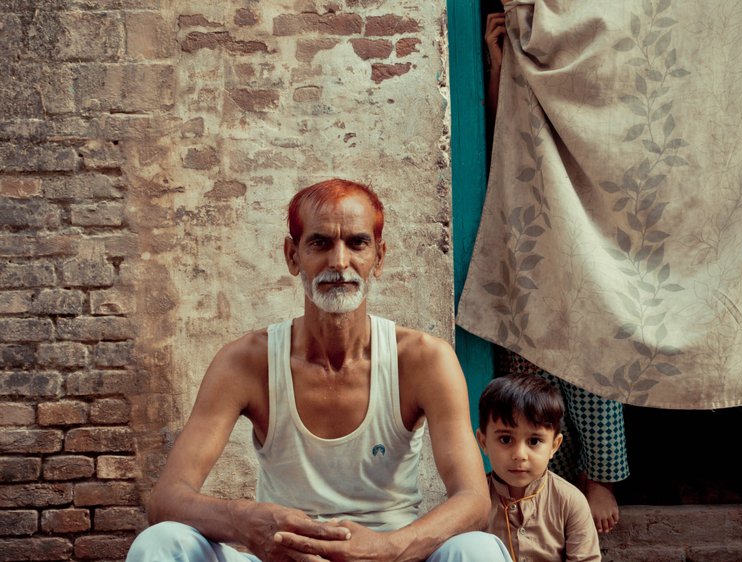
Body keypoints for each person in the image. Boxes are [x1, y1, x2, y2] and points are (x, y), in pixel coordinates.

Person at [127, 179, 511, 562]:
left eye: (357, 243)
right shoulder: (245, 362)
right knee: (160, 543)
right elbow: (167, 499)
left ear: (379, 257)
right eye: (320, 243)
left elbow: (473, 499)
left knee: (478, 550)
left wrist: (388, 548)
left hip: (389, 557)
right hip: (284, 557)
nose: (339, 262)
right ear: (293, 257)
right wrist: (243, 519)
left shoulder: (424, 360)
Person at [483, 10, 630, 534]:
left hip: (597, 220)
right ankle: (551, 483)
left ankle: (599, 478)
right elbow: (510, 138)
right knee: (528, 355)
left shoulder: (602, 37)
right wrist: (503, 67)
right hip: (532, 219)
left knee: (594, 348)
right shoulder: (524, 48)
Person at [476, 375, 601, 562]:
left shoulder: (570, 502)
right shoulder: (475, 500)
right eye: (505, 439)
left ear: (554, 446)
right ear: (484, 442)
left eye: (534, 441)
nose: (519, 454)